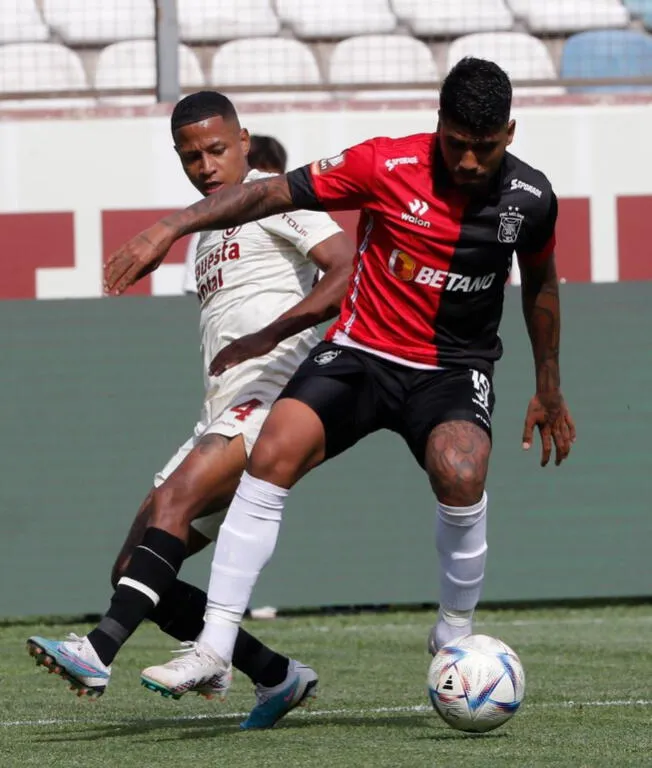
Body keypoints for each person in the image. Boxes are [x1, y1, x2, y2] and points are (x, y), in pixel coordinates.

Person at [103, 59, 576, 698]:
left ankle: (454, 632)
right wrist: (170, 225)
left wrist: (548, 387)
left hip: (452, 368)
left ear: (510, 133)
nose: (468, 161)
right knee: (272, 450)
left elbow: (541, 283)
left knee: (461, 470)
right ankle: (214, 645)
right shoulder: (383, 164)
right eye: (457, 143)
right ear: (439, 126)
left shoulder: (531, 199)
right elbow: (271, 191)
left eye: (484, 148)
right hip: (363, 351)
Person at [26, 90, 353, 730]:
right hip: (221, 413)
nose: (205, 165)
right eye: (190, 156)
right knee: (132, 565)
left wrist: (271, 336)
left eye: (216, 149)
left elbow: (348, 268)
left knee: (172, 505)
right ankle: (276, 675)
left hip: (273, 401)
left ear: (244, 141)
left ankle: (97, 652)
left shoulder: (279, 197)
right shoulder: (206, 229)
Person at [183, 134, 288, 295]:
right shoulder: (206, 228)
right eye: (255, 177)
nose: (264, 185)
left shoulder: (293, 210)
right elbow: (193, 294)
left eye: (272, 178)